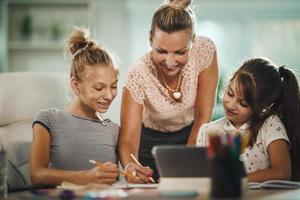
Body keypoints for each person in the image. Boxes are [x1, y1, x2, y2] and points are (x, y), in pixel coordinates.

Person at [119, 0, 218, 183]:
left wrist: (188, 161)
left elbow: (204, 115)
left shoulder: (204, 51)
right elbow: (128, 139)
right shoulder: (138, 73)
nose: (170, 62)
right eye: (161, 51)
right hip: (149, 143)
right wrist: (130, 167)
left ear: (193, 41)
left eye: (180, 52)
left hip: (192, 133)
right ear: (150, 39)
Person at [30, 28, 120, 186]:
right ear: (76, 86)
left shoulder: (113, 129)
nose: (109, 95)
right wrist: (86, 178)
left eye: (113, 86)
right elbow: (37, 174)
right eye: (99, 88)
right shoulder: (49, 120)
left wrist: (134, 173)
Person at [196, 58, 300, 182]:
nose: (231, 105)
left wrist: (236, 178)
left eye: (243, 103)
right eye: (230, 93)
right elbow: (201, 176)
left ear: (263, 106)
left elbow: (282, 172)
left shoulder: (269, 125)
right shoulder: (207, 131)